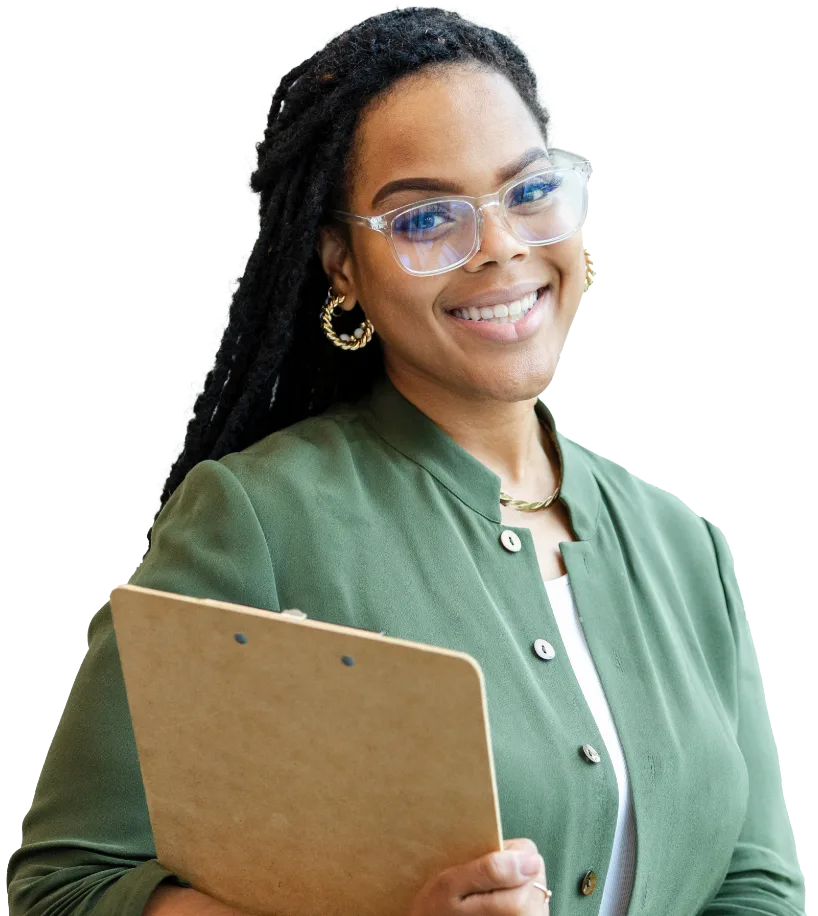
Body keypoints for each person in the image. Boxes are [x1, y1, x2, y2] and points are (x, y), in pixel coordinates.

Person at [7, 7, 805, 916]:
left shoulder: (685, 547)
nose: (501, 246)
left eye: (529, 191)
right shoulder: (258, 520)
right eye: (427, 216)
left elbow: (755, 887)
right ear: (341, 265)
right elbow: (65, 890)